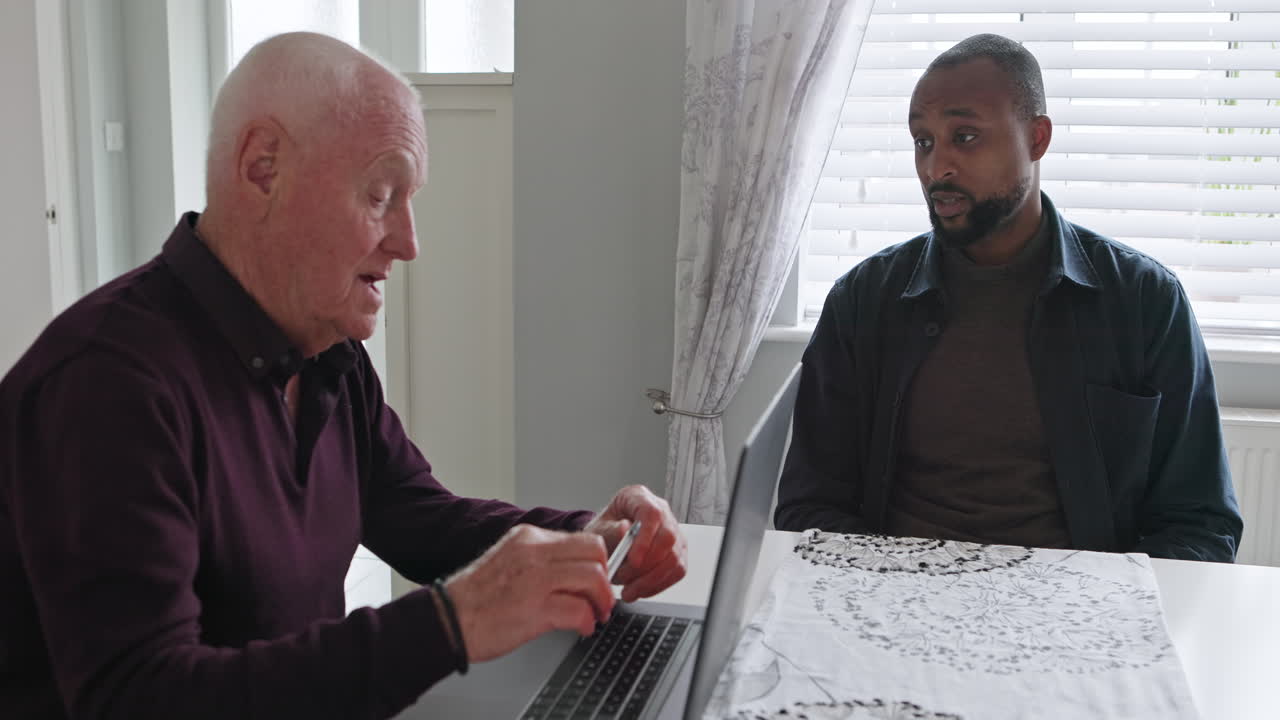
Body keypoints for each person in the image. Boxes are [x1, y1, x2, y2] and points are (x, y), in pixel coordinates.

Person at [0, 33, 686, 720]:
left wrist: (587, 540)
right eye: (382, 195)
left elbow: (422, 520)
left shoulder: (326, 353)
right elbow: (141, 699)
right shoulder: (104, 385)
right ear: (263, 169)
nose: (409, 243)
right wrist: (448, 624)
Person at [774, 34, 1242, 562]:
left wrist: (1110, 612)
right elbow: (809, 507)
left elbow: (1200, 523)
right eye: (923, 141)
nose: (936, 169)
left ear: (1036, 139)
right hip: (893, 599)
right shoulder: (862, 302)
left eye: (966, 137)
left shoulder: (1144, 302)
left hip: (1075, 612)